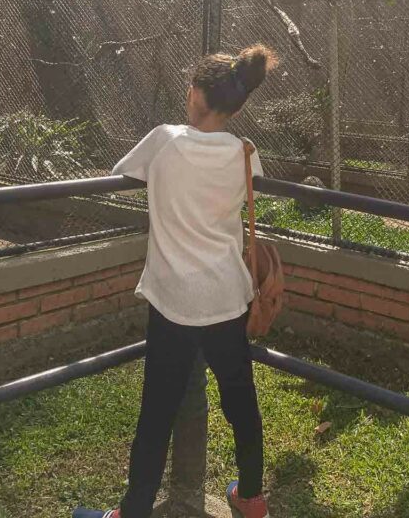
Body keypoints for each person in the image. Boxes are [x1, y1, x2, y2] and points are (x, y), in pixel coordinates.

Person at [75, 44, 278, 518]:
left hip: (173, 305)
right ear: (237, 107)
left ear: (193, 94)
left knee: (157, 413)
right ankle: (251, 498)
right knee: (241, 403)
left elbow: (123, 172)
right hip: (227, 299)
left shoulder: (163, 141)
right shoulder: (244, 153)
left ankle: (134, 511)